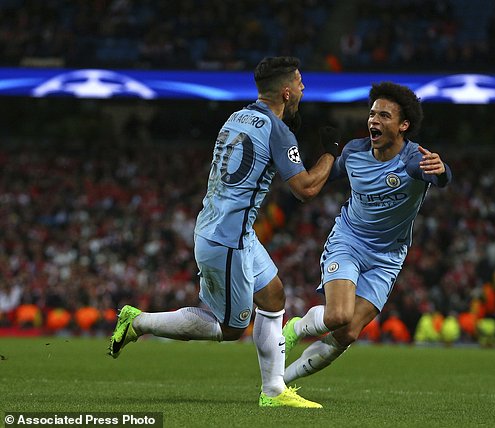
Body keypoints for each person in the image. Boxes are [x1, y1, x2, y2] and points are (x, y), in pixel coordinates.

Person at [108, 56, 341, 408]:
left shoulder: (235, 118)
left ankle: (274, 391)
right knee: (230, 329)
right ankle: (139, 322)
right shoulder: (278, 130)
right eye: (301, 84)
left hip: (233, 231)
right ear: (288, 92)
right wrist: (329, 155)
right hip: (227, 239)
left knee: (274, 296)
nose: (305, 90)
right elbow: (305, 189)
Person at [282, 82, 452, 384]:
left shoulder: (413, 161)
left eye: (384, 116)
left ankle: (280, 382)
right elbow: (317, 181)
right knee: (337, 316)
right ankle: (295, 329)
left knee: (347, 332)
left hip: (388, 256)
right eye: (373, 114)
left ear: (403, 126)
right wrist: (324, 156)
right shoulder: (354, 152)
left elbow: (438, 176)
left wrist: (442, 170)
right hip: (349, 241)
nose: (374, 120)